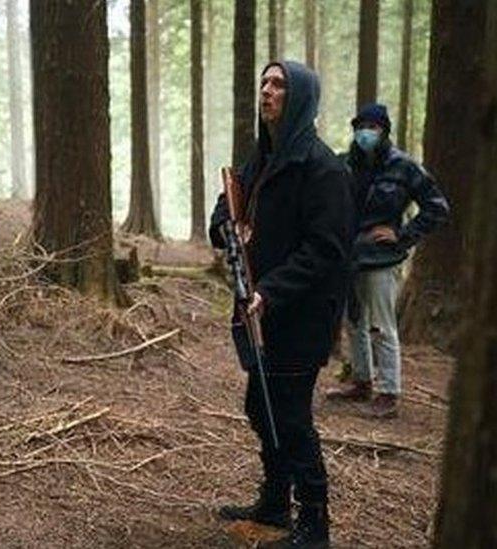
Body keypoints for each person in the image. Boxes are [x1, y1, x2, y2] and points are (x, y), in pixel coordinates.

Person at [210, 61, 354, 548]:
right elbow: (228, 204)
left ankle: (314, 521)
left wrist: (271, 290)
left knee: (290, 415)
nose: (267, 92)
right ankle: (274, 501)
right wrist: (225, 227)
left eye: (279, 85)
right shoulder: (262, 158)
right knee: (261, 405)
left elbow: (326, 249)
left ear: (301, 99)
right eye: (265, 83)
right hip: (258, 314)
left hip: (299, 317)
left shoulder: (323, 169)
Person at [326, 103, 449, 418]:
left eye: (373, 127)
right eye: (360, 126)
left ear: (384, 131)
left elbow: (437, 207)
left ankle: (389, 392)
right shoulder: (346, 164)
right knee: (353, 323)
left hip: (382, 259)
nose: (365, 133)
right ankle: (361, 381)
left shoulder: (403, 166)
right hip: (349, 257)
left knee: (382, 325)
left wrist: (404, 234)